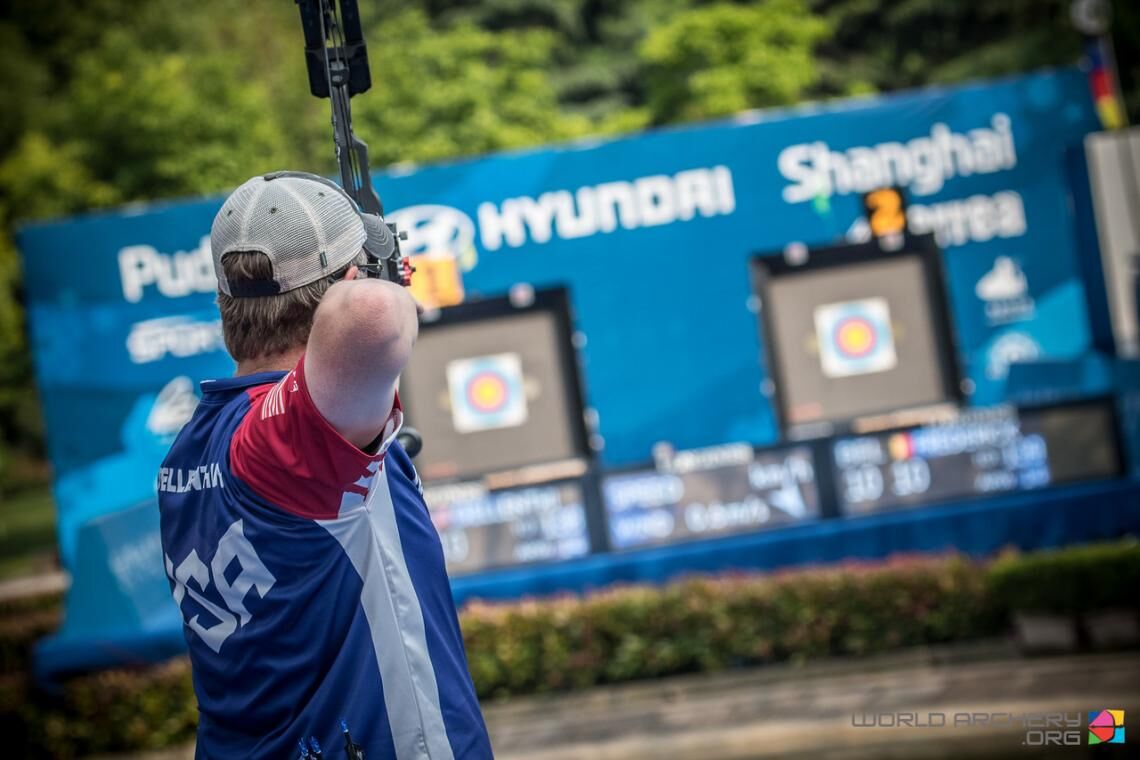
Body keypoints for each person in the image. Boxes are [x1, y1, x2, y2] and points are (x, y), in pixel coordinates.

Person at [157, 172, 493, 759]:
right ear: (345, 281)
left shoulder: (191, 448)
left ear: (224, 302)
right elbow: (371, 317)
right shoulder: (276, 443)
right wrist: (376, 280)